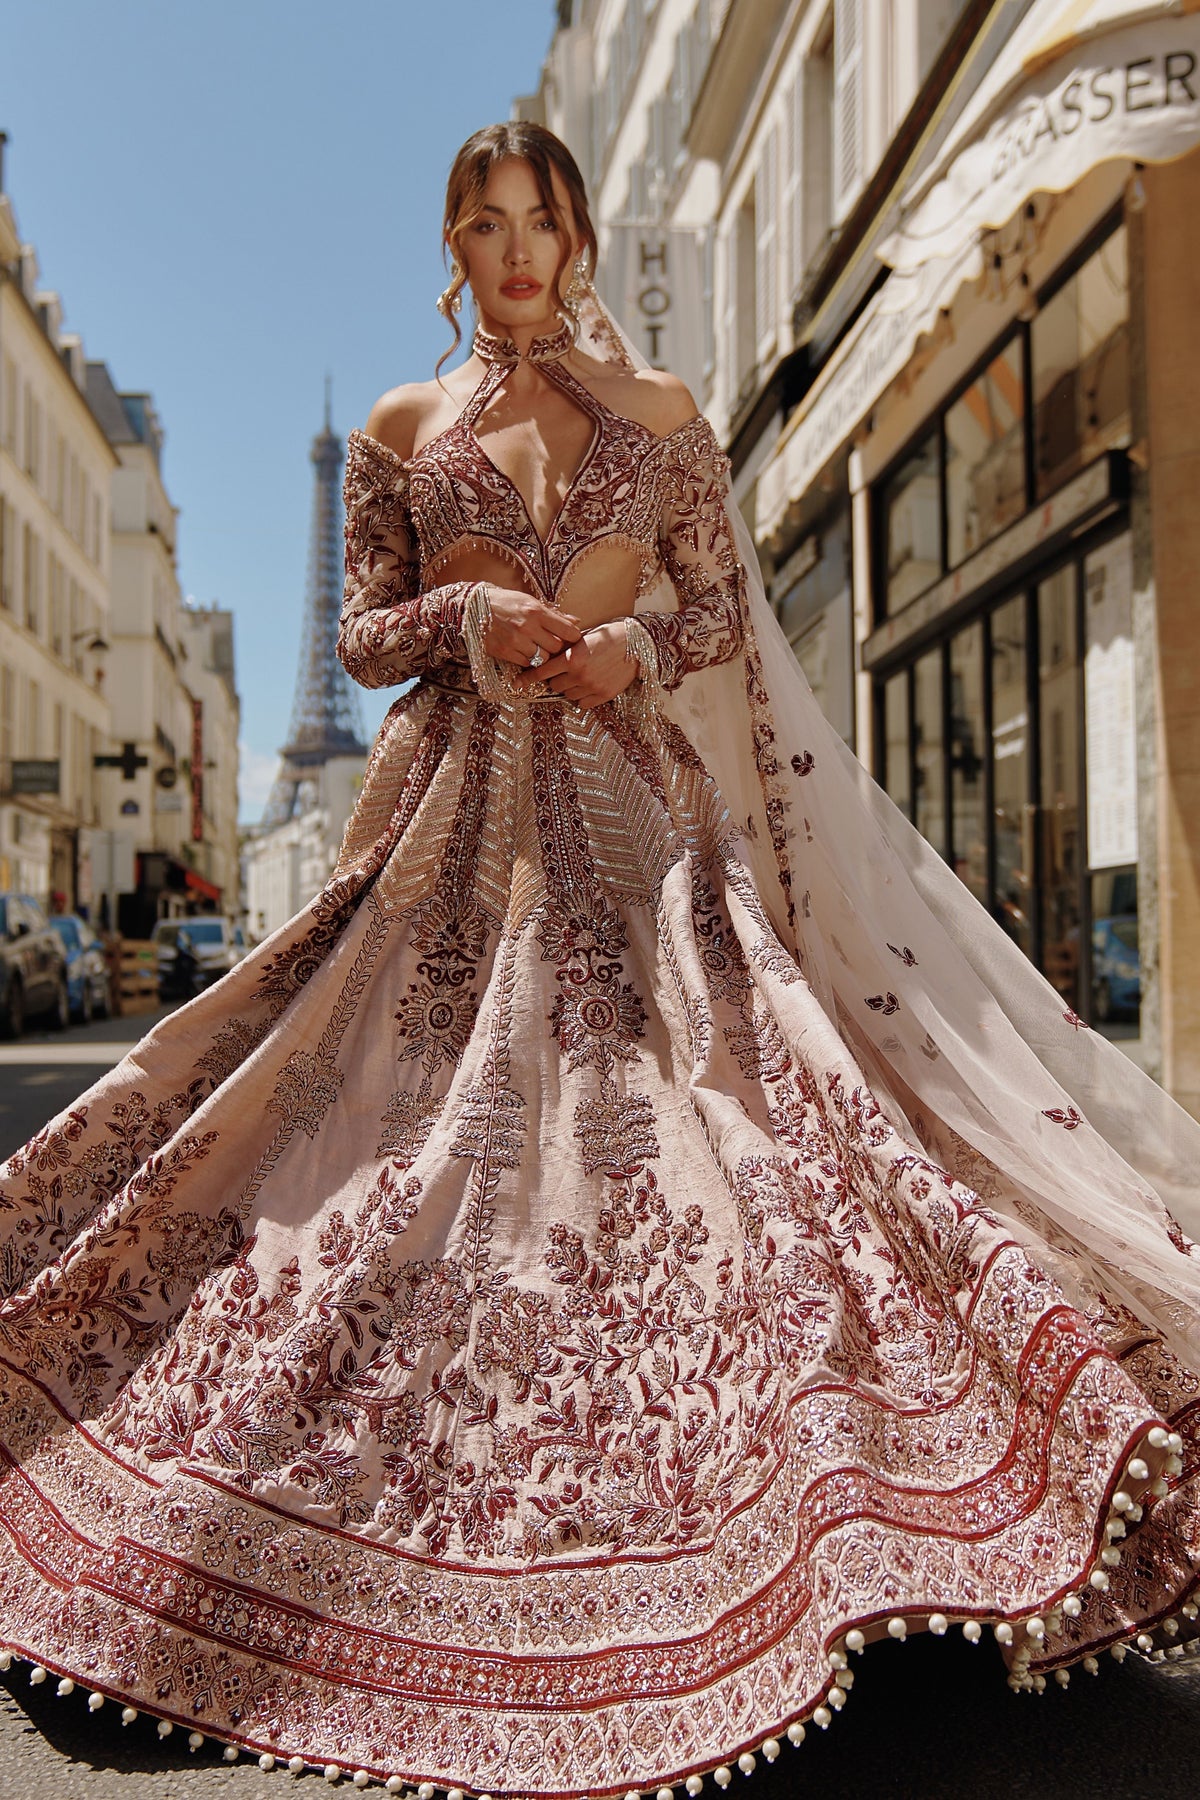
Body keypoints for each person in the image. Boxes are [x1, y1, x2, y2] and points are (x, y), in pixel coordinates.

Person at [0, 121, 1197, 1796]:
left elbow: (718, 612)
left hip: (642, 819)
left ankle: (827, 1520)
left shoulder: (667, 420)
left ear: (577, 240)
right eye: (482, 226)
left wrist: (630, 641)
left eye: (539, 223)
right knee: (391, 1146)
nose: (514, 253)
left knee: (742, 1132)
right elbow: (358, 633)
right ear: (452, 242)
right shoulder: (405, 432)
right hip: (453, 832)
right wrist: (468, 625)